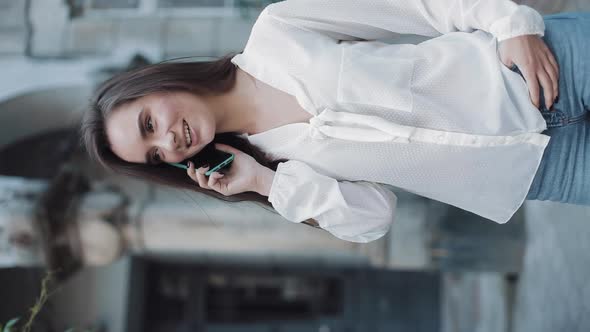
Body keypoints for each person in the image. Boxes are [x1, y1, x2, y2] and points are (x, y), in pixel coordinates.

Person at [81, 0, 589, 243]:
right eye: (155, 156)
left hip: (536, 65)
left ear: (157, 84)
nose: (168, 143)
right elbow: (374, 218)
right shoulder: (280, 172)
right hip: (539, 171)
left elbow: (414, 6)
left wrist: (509, 24)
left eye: (149, 123)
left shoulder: (277, 29)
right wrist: (266, 182)